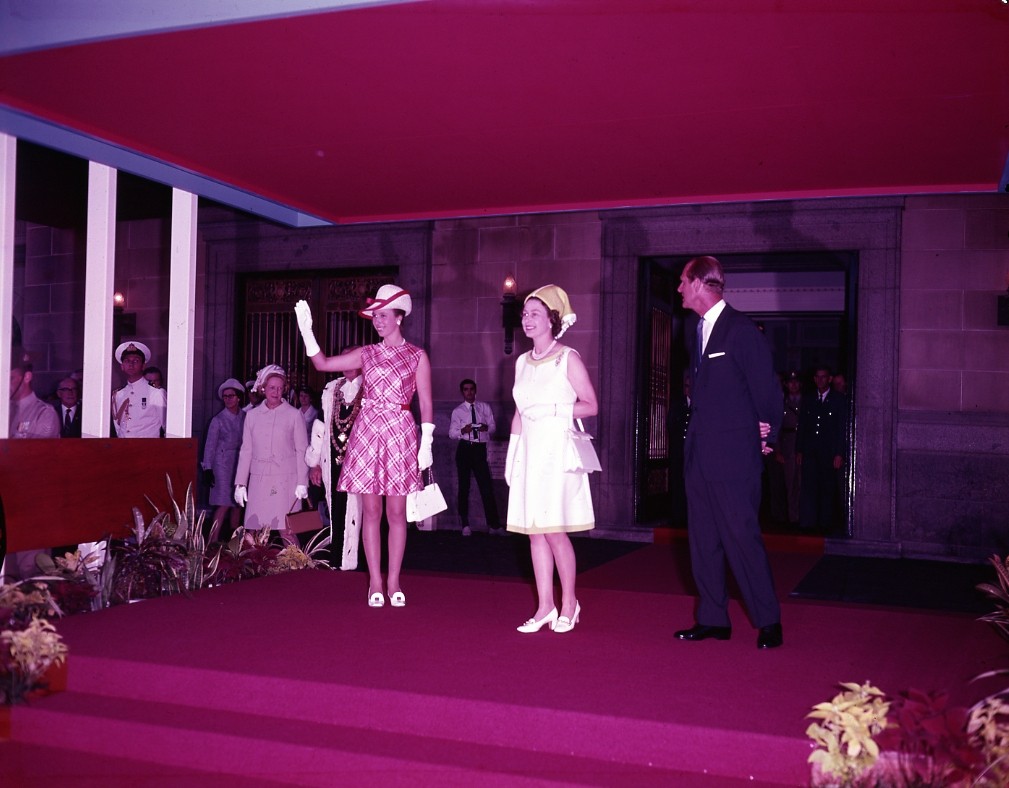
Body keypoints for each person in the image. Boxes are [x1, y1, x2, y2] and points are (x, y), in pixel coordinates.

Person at [294, 284, 433, 608]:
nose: (377, 322)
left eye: (383, 316)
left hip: (400, 431)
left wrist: (426, 440)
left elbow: (425, 401)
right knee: (371, 510)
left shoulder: (417, 355)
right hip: (368, 431)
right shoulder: (367, 353)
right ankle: (375, 581)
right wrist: (308, 333)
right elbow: (323, 364)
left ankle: (395, 580)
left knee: (397, 512)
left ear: (399, 317)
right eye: (375, 317)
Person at [674, 256, 785, 649]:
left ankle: (769, 620)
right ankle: (713, 618)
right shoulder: (697, 330)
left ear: (702, 283)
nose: (679, 289)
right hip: (700, 457)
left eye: (683, 282)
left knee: (742, 538)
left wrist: (768, 433)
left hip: (735, 458)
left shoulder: (740, 330)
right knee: (703, 541)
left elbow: (768, 391)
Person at [505, 284, 597, 635]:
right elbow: (518, 412)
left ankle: (570, 603)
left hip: (556, 451)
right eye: (525, 314)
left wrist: (554, 409)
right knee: (534, 533)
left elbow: (591, 405)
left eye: (535, 315)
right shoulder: (521, 362)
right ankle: (545, 606)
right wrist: (513, 453)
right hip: (529, 451)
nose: (527, 320)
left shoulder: (567, 357)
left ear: (552, 321)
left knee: (555, 531)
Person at [234, 365, 309, 543]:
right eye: (272, 388)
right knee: (254, 530)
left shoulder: (294, 415)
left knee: (286, 530)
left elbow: (302, 450)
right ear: (263, 388)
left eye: (280, 388)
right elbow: (246, 450)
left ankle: (296, 568)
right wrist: (240, 483)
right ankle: (255, 570)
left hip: (286, 480)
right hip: (259, 478)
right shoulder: (251, 416)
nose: (276, 392)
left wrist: (302, 482)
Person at [305, 349, 364, 570]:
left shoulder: (371, 387)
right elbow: (320, 427)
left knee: (360, 511)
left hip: (362, 461)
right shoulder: (331, 389)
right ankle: (338, 560)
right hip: (334, 457)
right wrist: (315, 463)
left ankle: (361, 563)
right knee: (336, 507)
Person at [5, 348, 60, 581]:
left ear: (27, 377)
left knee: (30, 577)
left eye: (11, 378)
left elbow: (37, 463)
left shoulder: (43, 413)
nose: (5, 385)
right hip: (6, 505)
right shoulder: (3, 412)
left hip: (31, 507)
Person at [449, 379, 503, 536]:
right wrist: (463, 430)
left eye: (472, 389)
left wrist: (486, 428)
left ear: (475, 390)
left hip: (479, 450)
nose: (469, 392)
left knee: (486, 487)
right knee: (464, 487)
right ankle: (465, 525)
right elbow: (452, 433)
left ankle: (493, 526)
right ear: (462, 392)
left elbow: (493, 426)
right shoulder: (458, 411)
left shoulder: (484, 407)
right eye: (466, 389)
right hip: (465, 448)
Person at [796, 366, 846, 531]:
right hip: (810, 451)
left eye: (824, 377)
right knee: (809, 487)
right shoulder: (809, 399)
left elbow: (841, 429)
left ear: (829, 379)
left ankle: (824, 524)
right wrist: (799, 449)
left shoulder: (838, 400)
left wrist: (839, 453)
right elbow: (802, 425)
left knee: (826, 488)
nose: (820, 380)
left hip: (828, 452)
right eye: (817, 377)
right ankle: (808, 523)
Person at [202, 378, 246, 538]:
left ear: (239, 397)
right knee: (223, 504)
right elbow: (210, 446)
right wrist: (207, 468)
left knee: (237, 504)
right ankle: (211, 543)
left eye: (231, 396)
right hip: (222, 465)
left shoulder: (246, 416)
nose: (228, 399)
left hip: (240, 463)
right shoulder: (218, 420)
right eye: (225, 396)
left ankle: (235, 543)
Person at [111, 341, 167, 438]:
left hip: (148, 449)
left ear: (143, 365)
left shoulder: (156, 393)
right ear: (122, 366)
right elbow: (118, 427)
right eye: (127, 361)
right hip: (123, 449)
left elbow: (167, 426)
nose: (131, 364)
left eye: (136, 361)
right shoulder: (118, 395)